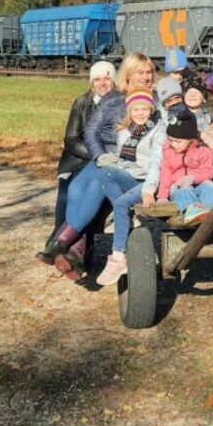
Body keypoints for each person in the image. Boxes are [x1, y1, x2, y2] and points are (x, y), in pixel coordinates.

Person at [38, 52, 155, 278]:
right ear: (128, 75)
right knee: (74, 188)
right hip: (104, 157)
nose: (146, 76)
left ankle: (61, 243)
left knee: (94, 186)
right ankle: (76, 252)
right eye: (140, 72)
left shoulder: (153, 100)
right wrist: (99, 155)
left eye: (149, 72)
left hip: (128, 161)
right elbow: (90, 131)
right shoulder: (112, 98)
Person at [94, 89, 166, 286]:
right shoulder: (124, 130)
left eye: (145, 109)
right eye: (136, 109)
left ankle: (118, 258)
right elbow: (124, 161)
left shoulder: (158, 130)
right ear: (130, 111)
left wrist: (149, 188)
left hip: (149, 182)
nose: (141, 113)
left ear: (151, 110)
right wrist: (112, 161)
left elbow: (156, 163)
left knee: (120, 204)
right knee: (104, 172)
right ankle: (128, 216)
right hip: (131, 178)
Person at [49, 60, 116, 235]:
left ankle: (83, 242)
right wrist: (96, 154)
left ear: (114, 81)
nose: (102, 83)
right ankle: (58, 237)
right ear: (91, 83)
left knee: (96, 196)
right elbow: (71, 139)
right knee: (67, 194)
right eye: (97, 79)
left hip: (109, 160)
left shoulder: (120, 103)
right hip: (78, 159)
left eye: (106, 79)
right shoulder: (81, 103)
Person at [157, 109, 213, 225]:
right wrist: (162, 196)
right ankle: (192, 211)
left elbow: (208, 172)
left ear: (191, 140)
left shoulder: (204, 151)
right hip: (179, 187)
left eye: (177, 141)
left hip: (198, 184)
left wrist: (193, 178)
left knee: (209, 186)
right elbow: (166, 174)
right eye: (171, 140)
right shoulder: (169, 152)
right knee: (184, 189)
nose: (173, 144)